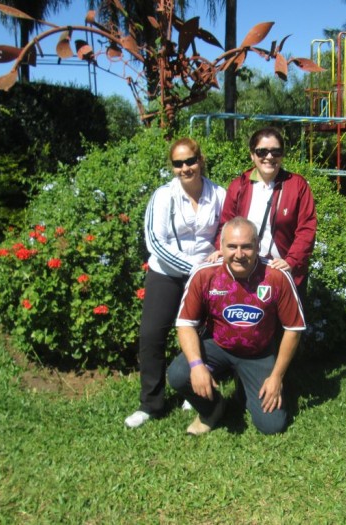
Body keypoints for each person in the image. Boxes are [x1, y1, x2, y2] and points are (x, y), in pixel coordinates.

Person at [167, 217, 306, 435]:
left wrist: (276, 377)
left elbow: (293, 329)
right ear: (221, 247)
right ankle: (212, 408)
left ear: (257, 247)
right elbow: (185, 324)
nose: (239, 254)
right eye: (232, 246)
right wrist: (196, 366)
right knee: (178, 373)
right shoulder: (204, 274)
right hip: (218, 345)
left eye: (246, 247)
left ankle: (246, 389)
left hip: (258, 353)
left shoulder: (276, 275)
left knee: (272, 426)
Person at [124, 137, 227, 428]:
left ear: (200, 160)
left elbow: (227, 231)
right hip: (166, 273)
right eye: (178, 163)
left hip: (205, 275)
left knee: (203, 334)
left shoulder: (218, 194)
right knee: (152, 335)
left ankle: (193, 390)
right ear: (172, 167)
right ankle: (151, 404)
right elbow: (155, 242)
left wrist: (219, 256)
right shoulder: (163, 196)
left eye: (190, 161)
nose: (185, 168)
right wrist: (195, 268)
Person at [207, 127, 317, 298]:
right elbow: (226, 224)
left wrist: (292, 261)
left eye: (276, 151)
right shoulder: (239, 186)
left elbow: (307, 229)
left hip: (284, 271)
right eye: (262, 152)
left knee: (287, 316)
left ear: (282, 155)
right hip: (247, 270)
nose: (269, 157)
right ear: (252, 155)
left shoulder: (297, 186)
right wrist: (221, 248)